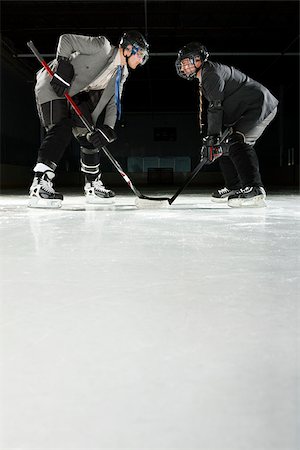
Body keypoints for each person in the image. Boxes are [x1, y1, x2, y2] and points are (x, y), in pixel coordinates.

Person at [29, 31, 149, 208]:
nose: (141, 61)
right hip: (54, 85)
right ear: (128, 48)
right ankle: (39, 184)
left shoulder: (122, 73)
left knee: (91, 137)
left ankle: (92, 186)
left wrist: (108, 128)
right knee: (61, 127)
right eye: (140, 55)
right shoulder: (103, 47)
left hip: (76, 95)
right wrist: (62, 64)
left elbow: (113, 102)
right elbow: (66, 39)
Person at [175, 42, 278, 207]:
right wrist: (212, 140)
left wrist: (213, 137)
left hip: (259, 106)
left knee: (237, 141)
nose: (184, 66)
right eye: (183, 63)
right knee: (222, 147)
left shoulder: (211, 73)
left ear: (199, 59)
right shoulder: (205, 77)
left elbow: (215, 107)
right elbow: (215, 110)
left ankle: (255, 188)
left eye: (188, 61)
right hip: (248, 110)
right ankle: (234, 186)